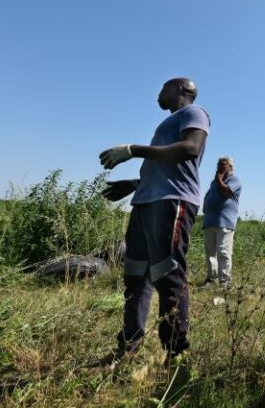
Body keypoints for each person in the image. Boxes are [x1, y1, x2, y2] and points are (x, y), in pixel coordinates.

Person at [98, 77, 210, 368]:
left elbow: (190, 148)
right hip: (146, 202)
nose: (158, 95)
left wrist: (132, 150)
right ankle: (128, 348)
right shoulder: (169, 123)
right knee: (136, 276)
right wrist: (136, 182)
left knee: (168, 274)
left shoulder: (193, 114)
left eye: (163, 89)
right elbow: (167, 166)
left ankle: (174, 355)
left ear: (181, 91)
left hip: (172, 202)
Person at [201, 156, 242, 289]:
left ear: (230, 167)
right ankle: (211, 279)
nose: (219, 166)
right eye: (218, 164)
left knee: (223, 252)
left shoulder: (234, 180)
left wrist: (219, 178)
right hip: (210, 221)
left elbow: (225, 192)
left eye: (223, 164)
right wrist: (206, 206)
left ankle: (224, 283)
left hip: (225, 222)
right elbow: (208, 196)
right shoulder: (214, 182)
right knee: (210, 252)